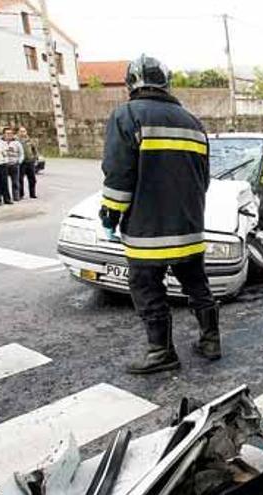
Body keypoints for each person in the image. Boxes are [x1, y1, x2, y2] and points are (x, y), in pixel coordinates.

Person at [99, 54, 218, 375]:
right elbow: (202, 179)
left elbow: (119, 173)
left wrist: (110, 214)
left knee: (148, 290)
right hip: (189, 226)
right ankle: (210, 341)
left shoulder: (127, 115)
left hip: (147, 230)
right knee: (197, 284)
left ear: (130, 84)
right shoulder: (192, 122)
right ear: (166, 82)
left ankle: (161, 352)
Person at [1, 127, 24, 201]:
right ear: (4, 134)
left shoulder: (17, 143)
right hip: (4, 164)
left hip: (14, 164)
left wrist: (19, 161)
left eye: (11, 133)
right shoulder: (0, 143)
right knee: (3, 182)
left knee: (15, 182)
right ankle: (5, 197)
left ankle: (16, 196)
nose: (9, 135)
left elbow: (21, 154)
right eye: (7, 133)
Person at [17, 126, 39, 199]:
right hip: (21, 162)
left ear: (26, 132)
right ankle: (21, 194)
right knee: (20, 179)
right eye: (21, 131)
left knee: (32, 179)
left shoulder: (30, 141)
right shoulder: (16, 141)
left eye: (24, 131)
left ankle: (32, 194)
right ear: (18, 132)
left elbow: (35, 150)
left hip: (30, 162)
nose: (23, 133)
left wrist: (35, 158)